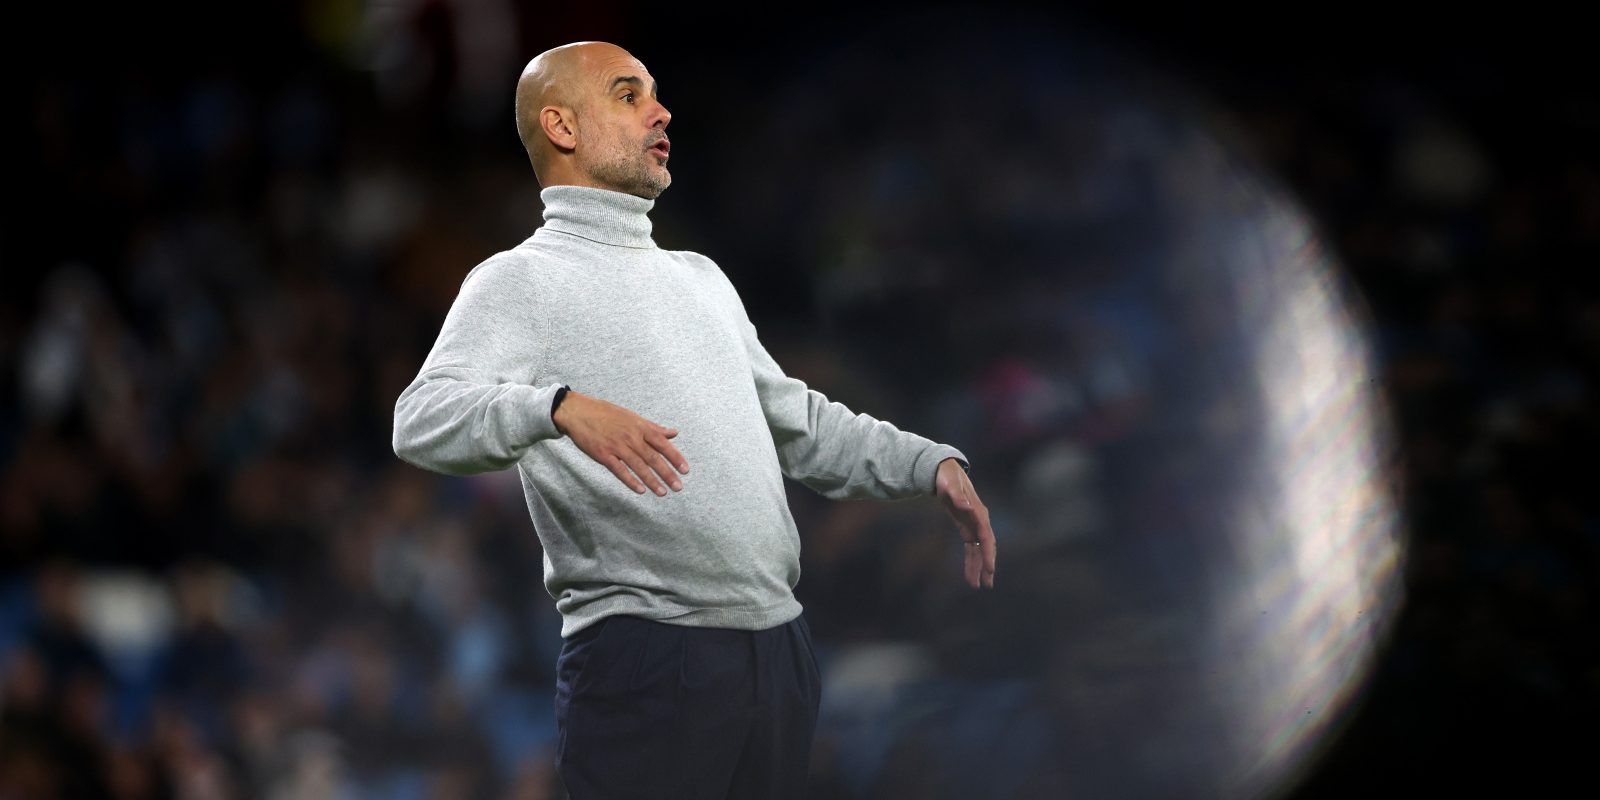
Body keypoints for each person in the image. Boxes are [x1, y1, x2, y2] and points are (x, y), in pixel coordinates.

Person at [392, 40, 997, 799]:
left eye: (655, 93)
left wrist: (926, 464)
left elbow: (797, 422)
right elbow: (419, 419)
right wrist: (557, 408)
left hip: (778, 651)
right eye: (627, 94)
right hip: (645, 657)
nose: (661, 110)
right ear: (563, 126)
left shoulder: (702, 279)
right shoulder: (518, 281)